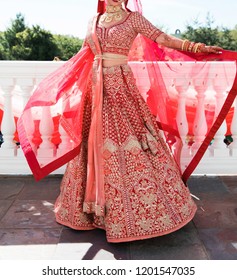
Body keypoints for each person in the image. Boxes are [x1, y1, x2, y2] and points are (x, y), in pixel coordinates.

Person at [17, 0, 237, 243]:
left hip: (120, 88)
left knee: (128, 139)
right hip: (95, 88)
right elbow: (84, 54)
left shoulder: (133, 19)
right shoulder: (94, 20)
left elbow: (163, 39)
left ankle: (138, 212)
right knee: (92, 145)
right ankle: (90, 210)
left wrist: (196, 47)